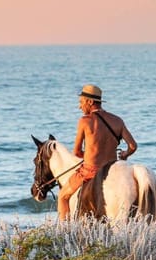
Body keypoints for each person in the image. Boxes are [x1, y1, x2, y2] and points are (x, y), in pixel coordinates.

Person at [57, 83, 138, 220]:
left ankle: (65, 230)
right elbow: (133, 146)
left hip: (91, 171)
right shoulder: (117, 120)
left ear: (90, 102)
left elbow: (76, 151)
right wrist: (125, 154)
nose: (80, 106)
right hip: (111, 169)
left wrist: (89, 157)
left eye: (81, 102)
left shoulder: (85, 121)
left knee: (63, 197)